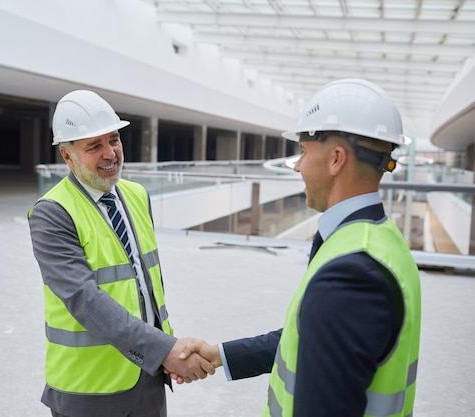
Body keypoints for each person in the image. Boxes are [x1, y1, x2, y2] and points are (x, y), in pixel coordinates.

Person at [176, 78, 422, 417]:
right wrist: (221, 355)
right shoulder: (379, 239)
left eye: (303, 152)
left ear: (336, 159)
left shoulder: (351, 274)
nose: (296, 166)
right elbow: (312, 339)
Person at [28, 89, 214, 417]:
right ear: (67, 156)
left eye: (113, 139)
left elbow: (145, 285)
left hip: (148, 376)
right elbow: (84, 299)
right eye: (93, 146)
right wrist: (164, 350)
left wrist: (163, 355)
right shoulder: (52, 212)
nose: (110, 153)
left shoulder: (136, 195)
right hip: (89, 386)